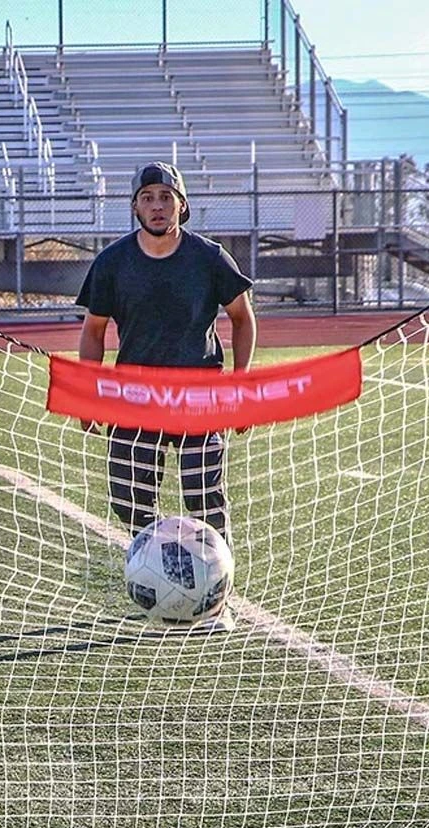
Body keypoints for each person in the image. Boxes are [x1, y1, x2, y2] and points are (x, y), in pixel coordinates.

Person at [76, 160, 256, 630]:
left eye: (166, 197)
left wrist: (241, 381)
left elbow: (242, 317)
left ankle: (217, 601)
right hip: (134, 396)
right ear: (135, 206)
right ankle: (159, 593)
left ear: (182, 205)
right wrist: (89, 395)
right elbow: (93, 332)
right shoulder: (112, 262)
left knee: (205, 495)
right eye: (148, 198)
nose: (157, 206)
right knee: (131, 500)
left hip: (199, 392)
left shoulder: (209, 257)